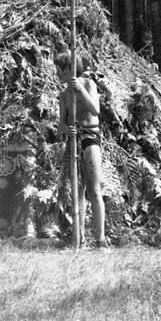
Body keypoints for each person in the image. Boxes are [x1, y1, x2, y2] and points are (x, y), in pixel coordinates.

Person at [56, 50, 108, 249]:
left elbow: (95, 109)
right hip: (74, 141)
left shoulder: (88, 84)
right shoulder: (63, 94)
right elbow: (62, 122)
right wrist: (65, 129)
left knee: (94, 190)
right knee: (77, 192)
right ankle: (80, 238)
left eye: (60, 69)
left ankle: (101, 239)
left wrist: (80, 90)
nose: (58, 73)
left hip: (90, 138)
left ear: (70, 69)